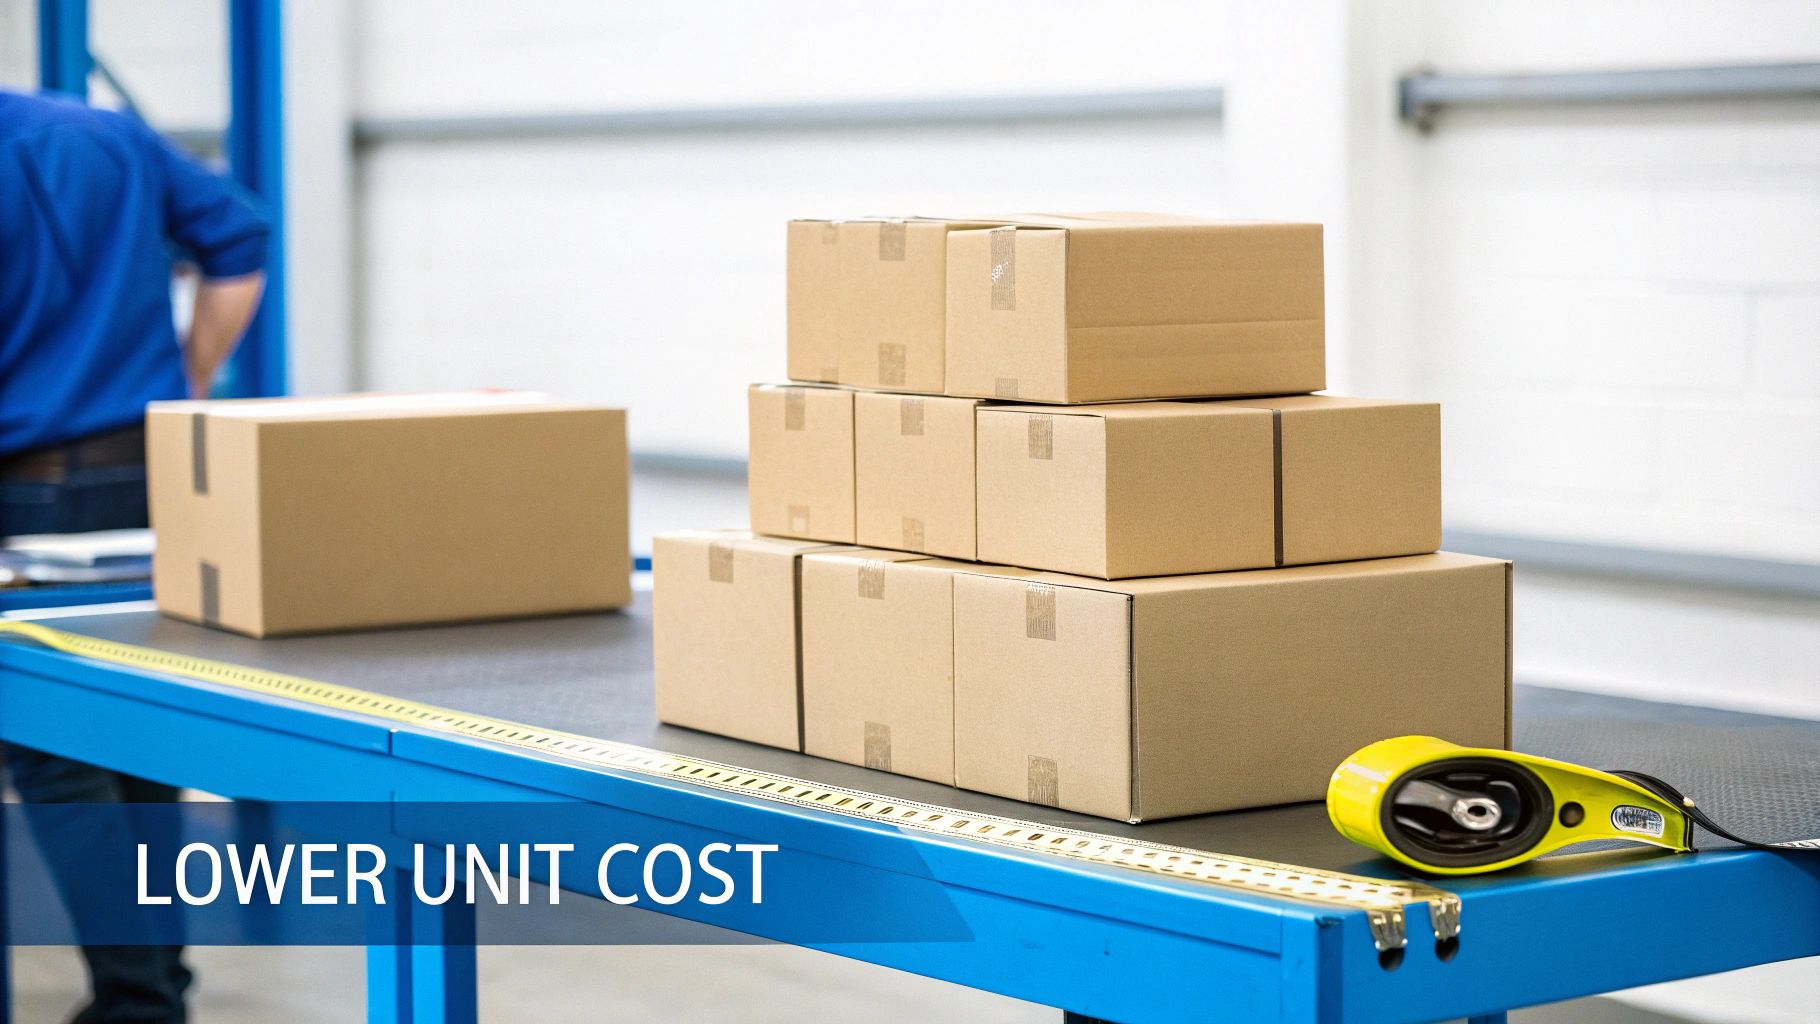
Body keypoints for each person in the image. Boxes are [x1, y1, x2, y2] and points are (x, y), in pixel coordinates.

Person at [1, 88, 271, 1024]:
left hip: (24, 492)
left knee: (48, 753)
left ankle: (135, 999)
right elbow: (239, 244)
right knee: (137, 730)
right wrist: (190, 378)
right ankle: (158, 981)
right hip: (147, 480)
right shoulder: (102, 132)